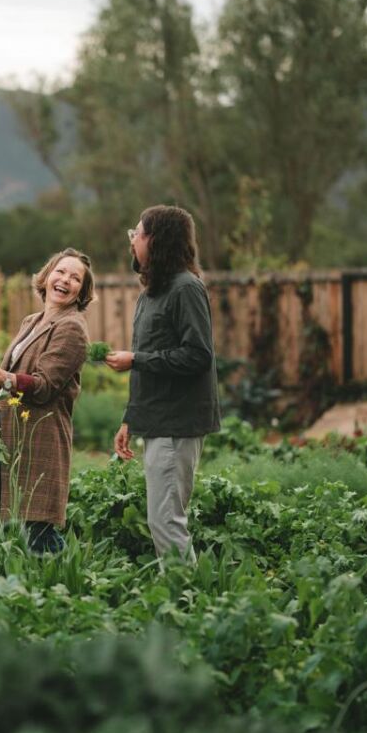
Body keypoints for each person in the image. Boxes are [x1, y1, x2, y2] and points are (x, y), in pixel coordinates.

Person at [0, 248, 94, 554]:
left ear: (81, 293)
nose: (65, 280)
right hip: (4, 434)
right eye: (60, 272)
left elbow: (46, 386)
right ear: (46, 277)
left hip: (36, 439)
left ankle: (70, 585)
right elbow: (7, 381)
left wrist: (1, 375)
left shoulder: (72, 328)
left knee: (35, 531)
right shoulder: (32, 321)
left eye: (75, 278)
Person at [106, 205, 220, 563]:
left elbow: (198, 355)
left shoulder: (186, 288)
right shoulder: (152, 292)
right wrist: (130, 418)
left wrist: (135, 359)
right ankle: (179, 602)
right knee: (162, 520)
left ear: (155, 240)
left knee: (166, 521)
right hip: (158, 420)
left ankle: (186, 606)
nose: (132, 241)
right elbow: (151, 358)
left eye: (136, 234)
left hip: (177, 423)